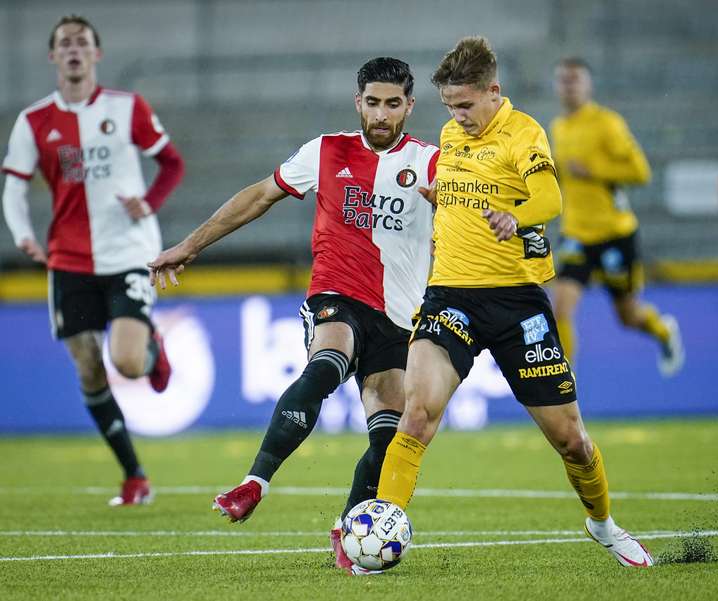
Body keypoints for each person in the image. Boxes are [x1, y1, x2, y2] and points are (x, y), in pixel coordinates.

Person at [147, 57, 438, 574]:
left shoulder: (432, 164)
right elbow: (260, 196)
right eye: (372, 102)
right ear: (359, 102)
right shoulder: (325, 151)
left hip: (398, 317)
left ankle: (349, 529)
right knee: (328, 360)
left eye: (393, 104)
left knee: (389, 438)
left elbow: (473, 214)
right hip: (337, 294)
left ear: (409, 106)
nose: (381, 113)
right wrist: (191, 245)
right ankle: (255, 482)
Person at [374, 37, 654, 568]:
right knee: (416, 413)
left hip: (517, 303)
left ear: (493, 92)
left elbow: (550, 197)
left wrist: (517, 217)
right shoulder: (452, 134)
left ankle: (604, 525)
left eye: (465, 105)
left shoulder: (524, 132)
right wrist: (443, 201)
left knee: (571, 440)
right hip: (450, 296)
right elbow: (465, 192)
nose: (456, 117)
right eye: (450, 107)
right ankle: (384, 529)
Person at [1, 15, 184, 506]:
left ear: (96, 54)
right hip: (69, 261)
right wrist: (22, 236)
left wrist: (149, 202)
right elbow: (13, 188)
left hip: (128, 252)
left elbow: (172, 163)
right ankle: (134, 475)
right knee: (88, 369)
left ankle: (151, 349)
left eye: (83, 42)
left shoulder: (128, 109)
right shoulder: (33, 121)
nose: (74, 50)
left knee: (124, 360)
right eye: (65, 43)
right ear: (53, 56)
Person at [550, 57, 684, 376]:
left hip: (614, 234)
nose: (569, 86)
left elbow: (640, 172)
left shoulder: (607, 124)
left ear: (588, 85)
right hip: (576, 234)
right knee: (560, 307)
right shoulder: (558, 127)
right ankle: (565, 385)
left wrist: (593, 171)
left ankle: (663, 331)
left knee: (628, 316)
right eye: (563, 80)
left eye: (575, 80)